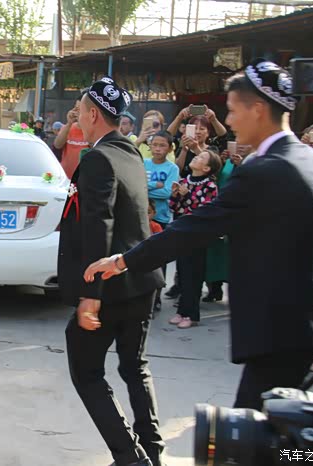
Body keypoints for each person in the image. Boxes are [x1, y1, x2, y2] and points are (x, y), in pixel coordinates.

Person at [84, 59, 313, 411]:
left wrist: (124, 261)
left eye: (232, 110)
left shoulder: (264, 171)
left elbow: (193, 228)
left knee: (254, 434)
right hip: (310, 327)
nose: (228, 121)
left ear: (258, 110)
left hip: (276, 332)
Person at [59, 77, 165, 466]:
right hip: (142, 280)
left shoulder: (98, 158)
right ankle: (152, 451)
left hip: (111, 286)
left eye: (80, 110)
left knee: (86, 370)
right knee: (135, 367)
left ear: (92, 114)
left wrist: (91, 295)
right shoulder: (129, 152)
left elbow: (98, 224)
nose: (77, 117)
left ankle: (131, 457)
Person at [168, 150, 221, 329]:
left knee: (194, 274)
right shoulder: (185, 181)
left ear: (207, 168)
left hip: (197, 234)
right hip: (182, 231)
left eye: (201, 158)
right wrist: (176, 195)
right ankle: (182, 310)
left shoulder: (210, 186)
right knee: (183, 272)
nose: (196, 157)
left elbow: (205, 209)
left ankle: (191, 314)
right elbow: (174, 207)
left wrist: (188, 195)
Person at [144, 131, 179, 313]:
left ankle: (156, 295)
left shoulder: (172, 168)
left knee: (158, 258)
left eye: (162, 145)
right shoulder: (144, 163)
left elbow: (167, 192)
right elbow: (138, 185)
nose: (157, 148)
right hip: (142, 216)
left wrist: (148, 188)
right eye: (155, 144)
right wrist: (154, 185)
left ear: (170, 148)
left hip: (161, 217)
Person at [54, 95, 90, 178]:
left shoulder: (92, 130)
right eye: (76, 108)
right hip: (65, 177)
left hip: (82, 178)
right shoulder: (68, 127)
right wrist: (69, 123)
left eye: (80, 109)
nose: (76, 112)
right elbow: (57, 145)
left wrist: (83, 124)